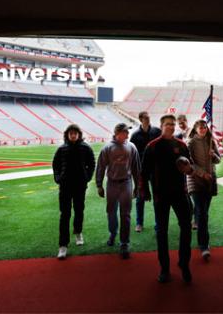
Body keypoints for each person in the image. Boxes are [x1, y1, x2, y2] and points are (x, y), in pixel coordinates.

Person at [140, 114, 194, 284]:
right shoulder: (152, 146)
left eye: (172, 124)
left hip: (180, 194)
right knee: (161, 232)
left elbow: (190, 168)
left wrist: (189, 169)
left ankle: (184, 264)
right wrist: (145, 191)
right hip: (160, 195)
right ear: (161, 126)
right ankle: (164, 269)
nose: (170, 126)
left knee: (186, 228)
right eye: (167, 124)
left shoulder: (182, 145)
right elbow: (144, 172)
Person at [96, 123, 140, 259]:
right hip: (112, 184)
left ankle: (124, 243)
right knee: (111, 212)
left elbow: (136, 168)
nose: (127, 134)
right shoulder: (107, 148)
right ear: (117, 133)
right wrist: (99, 185)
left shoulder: (131, 147)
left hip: (126, 183)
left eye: (128, 132)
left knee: (125, 214)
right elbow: (101, 167)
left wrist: (138, 185)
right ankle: (113, 233)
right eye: (125, 132)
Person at [53, 124, 95, 260]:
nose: (73, 135)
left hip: (79, 186)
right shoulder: (62, 148)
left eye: (75, 133)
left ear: (79, 134)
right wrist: (58, 178)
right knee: (64, 214)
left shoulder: (85, 147)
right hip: (65, 186)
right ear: (67, 134)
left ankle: (78, 232)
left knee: (79, 210)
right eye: (71, 133)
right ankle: (63, 245)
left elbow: (92, 163)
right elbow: (55, 165)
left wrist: (87, 177)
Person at [187, 119, 221, 261]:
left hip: (209, 182)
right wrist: (202, 174)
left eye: (204, 127)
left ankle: (203, 241)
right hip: (195, 181)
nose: (203, 129)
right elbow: (189, 163)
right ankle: (203, 245)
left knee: (204, 214)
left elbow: (218, 160)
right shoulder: (190, 143)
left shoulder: (211, 141)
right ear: (195, 129)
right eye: (200, 127)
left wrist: (213, 155)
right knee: (201, 213)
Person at [129, 111, 161, 232]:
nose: (148, 119)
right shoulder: (135, 135)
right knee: (140, 197)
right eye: (146, 118)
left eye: (149, 117)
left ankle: (158, 223)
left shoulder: (157, 131)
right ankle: (139, 223)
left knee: (157, 196)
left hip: (155, 169)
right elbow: (132, 152)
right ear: (141, 119)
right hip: (141, 170)